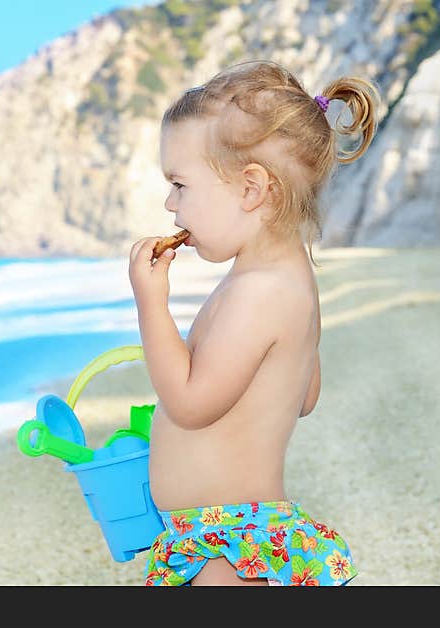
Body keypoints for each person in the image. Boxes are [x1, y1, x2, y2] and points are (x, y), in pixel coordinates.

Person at [128, 60, 382, 586]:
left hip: (229, 544)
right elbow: (304, 395)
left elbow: (191, 404)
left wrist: (151, 303)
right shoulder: (285, 281)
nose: (169, 202)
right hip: (222, 538)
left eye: (179, 183)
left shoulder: (259, 292)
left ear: (251, 190)